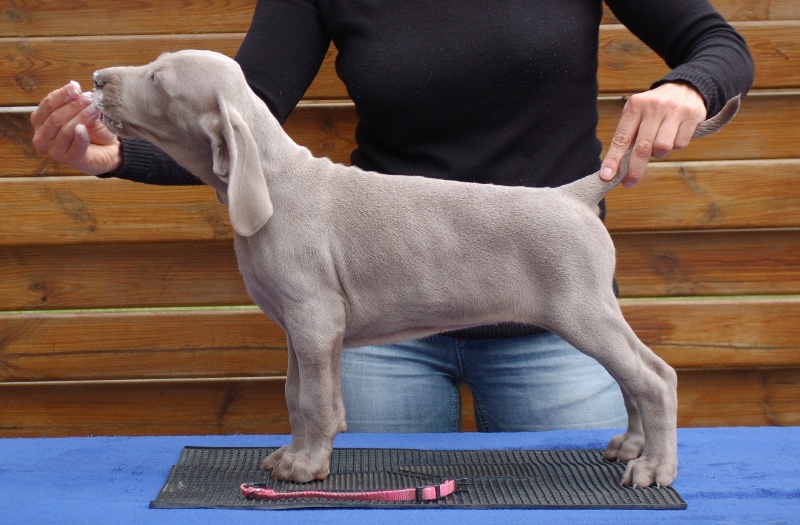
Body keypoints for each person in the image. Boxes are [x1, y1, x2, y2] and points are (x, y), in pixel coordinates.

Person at [31, 0, 753, 433]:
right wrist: (114, 155)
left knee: (580, 503)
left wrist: (691, 86)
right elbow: (245, 123)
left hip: (547, 314)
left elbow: (718, 44)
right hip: (381, 329)